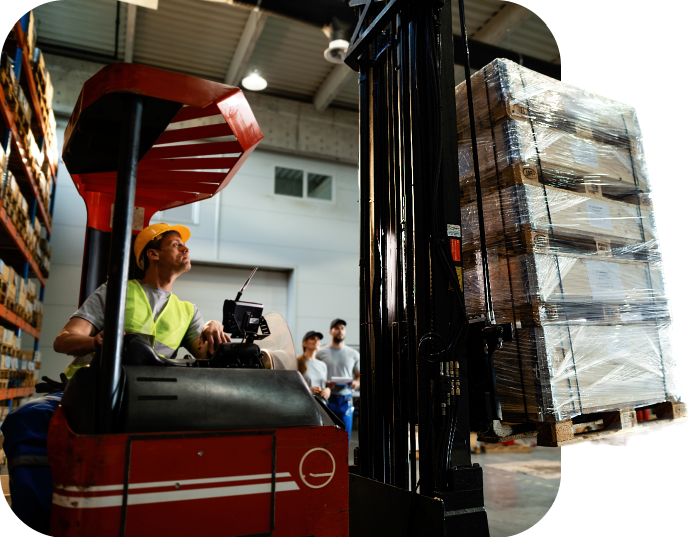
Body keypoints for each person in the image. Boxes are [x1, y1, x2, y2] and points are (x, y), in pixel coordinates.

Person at [0, 222, 231, 534]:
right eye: (177, 244)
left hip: (151, 397)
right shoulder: (116, 292)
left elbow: (204, 355)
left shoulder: (188, 311)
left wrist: (213, 327)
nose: (186, 249)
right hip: (91, 389)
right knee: (26, 419)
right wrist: (97, 341)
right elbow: (64, 339)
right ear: (152, 254)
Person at [316, 319, 360, 442]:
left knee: (344, 436)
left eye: (342, 328)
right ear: (331, 331)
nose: (339, 331)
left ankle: (343, 461)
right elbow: (315, 375)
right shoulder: (320, 353)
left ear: (345, 332)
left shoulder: (353, 354)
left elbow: (359, 376)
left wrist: (357, 383)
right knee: (326, 437)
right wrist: (325, 384)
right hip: (326, 399)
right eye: (336, 328)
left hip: (345, 400)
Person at [297, 330, 330, 400]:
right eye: (312, 338)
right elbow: (291, 387)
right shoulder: (297, 362)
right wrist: (308, 390)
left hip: (322, 406)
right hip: (305, 405)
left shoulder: (323, 365)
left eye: (318, 339)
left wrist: (328, 390)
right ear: (305, 344)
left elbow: (324, 385)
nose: (316, 340)